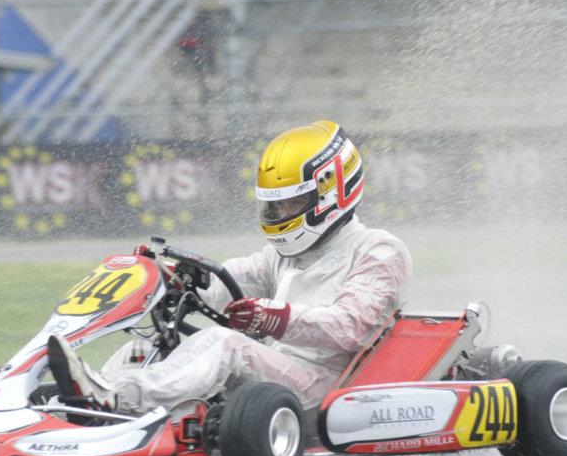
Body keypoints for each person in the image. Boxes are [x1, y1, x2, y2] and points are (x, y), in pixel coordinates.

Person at [49, 120, 411, 414]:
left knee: (226, 344)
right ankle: (90, 403)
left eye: (291, 204)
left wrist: (275, 317)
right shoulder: (285, 256)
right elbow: (230, 278)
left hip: (329, 385)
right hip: (277, 376)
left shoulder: (378, 250)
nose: (280, 215)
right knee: (149, 346)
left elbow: (350, 327)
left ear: (332, 193)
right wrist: (173, 278)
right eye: (275, 206)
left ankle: (119, 399)